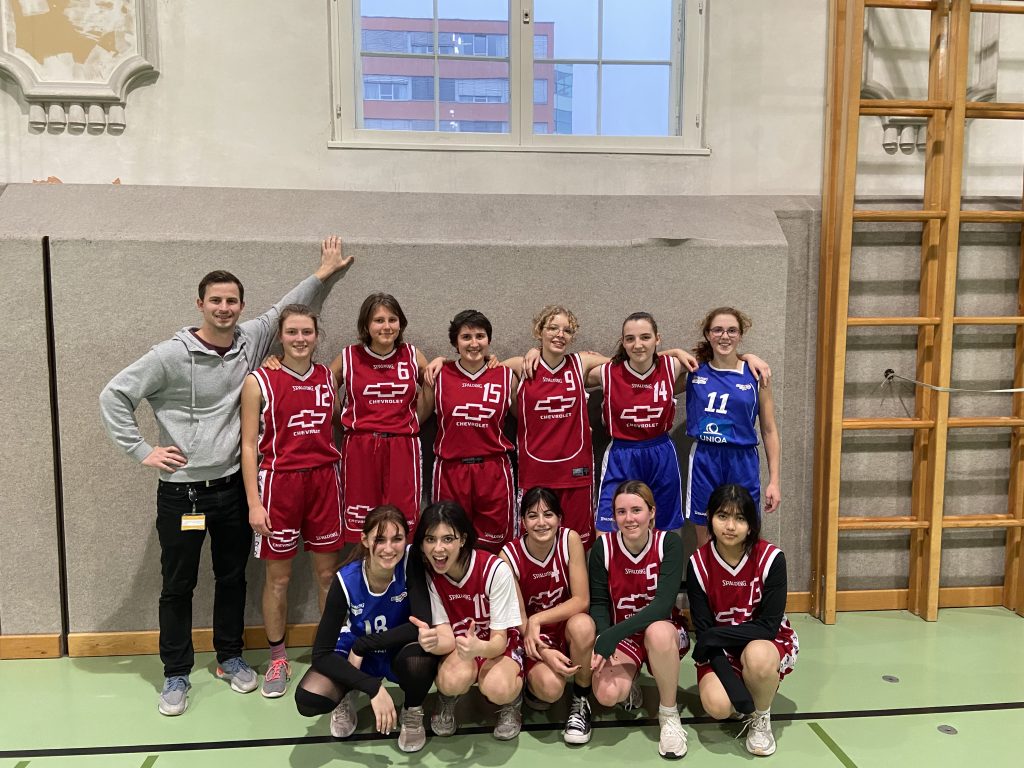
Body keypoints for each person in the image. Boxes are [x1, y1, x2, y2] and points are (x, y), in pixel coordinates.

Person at [99, 236, 353, 716]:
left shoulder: (250, 340)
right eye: (215, 300)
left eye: (232, 301)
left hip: (230, 487)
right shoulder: (169, 355)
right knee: (178, 585)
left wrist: (322, 274)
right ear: (200, 304)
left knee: (232, 577)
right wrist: (141, 450)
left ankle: (230, 658)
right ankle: (176, 673)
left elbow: (284, 311)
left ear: (241, 306)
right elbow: (114, 394)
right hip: (182, 494)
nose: (224, 308)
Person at [240, 304, 344, 698]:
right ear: (280, 337)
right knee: (279, 579)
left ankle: (327, 655)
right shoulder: (259, 381)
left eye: (307, 332)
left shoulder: (327, 377)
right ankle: (278, 658)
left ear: (316, 336)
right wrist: (254, 502)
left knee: (327, 576)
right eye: (292, 332)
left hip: (324, 482)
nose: (300, 339)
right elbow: (248, 446)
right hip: (278, 485)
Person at [294, 505, 439, 753]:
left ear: (406, 540)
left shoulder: (410, 560)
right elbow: (321, 654)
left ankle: (412, 710)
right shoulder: (345, 579)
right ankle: (347, 692)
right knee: (309, 698)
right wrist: (371, 687)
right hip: (358, 655)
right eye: (379, 539)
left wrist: (364, 645)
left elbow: (422, 625)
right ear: (365, 540)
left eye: (397, 539)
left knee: (421, 658)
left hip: (394, 649)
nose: (389, 548)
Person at [686, 484, 798, 757]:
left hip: (763, 642)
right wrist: (735, 689)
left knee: (758, 656)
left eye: (740, 518)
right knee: (718, 706)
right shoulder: (698, 564)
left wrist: (713, 636)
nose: (730, 526)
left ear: (751, 525)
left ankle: (761, 717)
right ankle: (749, 692)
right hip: (721, 649)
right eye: (722, 516)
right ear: (710, 518)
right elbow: (705, 632)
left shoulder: (772, 559)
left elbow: (768, 627)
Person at [589, 481, 690, 760]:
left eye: (636, 510)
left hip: (664, 631)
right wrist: (604, 634)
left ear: (651, 512)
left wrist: (610, 637)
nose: (629, 518)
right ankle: (631, 677)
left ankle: (669, 715)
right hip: (625, 635)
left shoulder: (668, 543)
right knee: (607, 694)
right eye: (621, 512)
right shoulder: (603, 547)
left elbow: (662, 606)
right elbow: (599, 603)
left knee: (658, 632)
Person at [413, 500, 525, 740]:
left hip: (497, 644)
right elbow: (446, 637)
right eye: (430, 539)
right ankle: (447, 699)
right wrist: (431, 642)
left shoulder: (495, 569)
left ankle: (512, 702)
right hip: (461, 645)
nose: (438, 548)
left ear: (463, 539)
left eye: (447, 539)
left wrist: (478, 648)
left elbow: (499, 641)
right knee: (450, 682)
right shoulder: (430, 576)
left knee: (498, 687)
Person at [500, 486, 596, 744]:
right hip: (531, 637)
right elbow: (519, 618)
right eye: (532, 515)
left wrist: (538, 618)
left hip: (561, 628)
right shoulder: (509, 555)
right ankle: (527, 688)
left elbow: (581, 600)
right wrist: (543, 651)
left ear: (559, 518)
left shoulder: (570, 540)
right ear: (522, 521)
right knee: (551, 690)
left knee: (584, 625)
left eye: (548, 514)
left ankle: (581, 700)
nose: (541, 522)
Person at [507, 306, 607, 549]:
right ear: (538, 331)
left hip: (575, 472)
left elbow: (631, 363)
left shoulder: (580, 363)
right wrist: (534, 351)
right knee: (535, 543)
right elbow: (482, 367)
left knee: (578, 544)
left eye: (567, 330)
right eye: (553, 328)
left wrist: (673, 352)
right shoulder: (521, 366)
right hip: (535, 473)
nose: (560, 334)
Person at [333, 293, 431, 540]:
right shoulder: (349, 356)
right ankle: (364, 566)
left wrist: (412, 421)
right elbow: (322, 385)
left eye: (392, 319)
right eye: (379, 320)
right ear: (366, 325)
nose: (386, 326)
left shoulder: (412, 355)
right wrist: (342, 419)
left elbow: (432, 386)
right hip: (361, 446)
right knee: (362, 525)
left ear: (401, 323)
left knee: (403, 523)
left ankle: (401, 566)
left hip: (402, 445)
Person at [589, 313, 697, 534]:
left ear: (658, 338)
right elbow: (569, 366)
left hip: (660, 452)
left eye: (645, 337)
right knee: (607, 529)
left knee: (663, 529)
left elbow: (719, 361)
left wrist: (749, 358)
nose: (638, 345)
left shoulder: (672, 366)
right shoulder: (607, 372)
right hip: (621, 453)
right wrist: (535, 352)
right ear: (623, 342)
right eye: (630, 339)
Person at [423, 311, 517, 553]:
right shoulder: (439, 375)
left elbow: (527, 419)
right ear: (455, 342)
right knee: (448, 544)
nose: (474, 343)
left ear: (489, 340)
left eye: (480, 336)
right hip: (451, 471)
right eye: (466, 337)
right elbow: (415, 419)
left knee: (495, 546)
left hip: (493, 471)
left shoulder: (506, 376)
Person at [685, 307, 780, 547]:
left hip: (742, 459)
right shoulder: (694, 371)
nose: (724, 336)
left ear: (740, 335)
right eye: (718, 330)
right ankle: (708, 573)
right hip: (705, 458)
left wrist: (774, 481)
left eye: (732, 331)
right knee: (705, 533)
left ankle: (743, 573)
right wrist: (675, 352)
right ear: (708, 334)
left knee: (744, 531)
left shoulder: (756, 374)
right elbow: (649, 362)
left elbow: (769, 430)